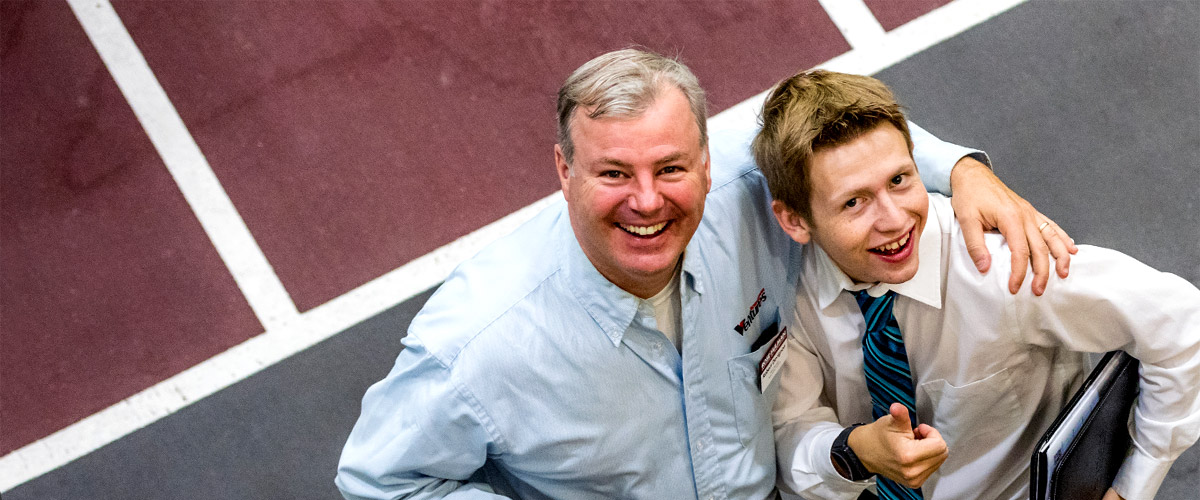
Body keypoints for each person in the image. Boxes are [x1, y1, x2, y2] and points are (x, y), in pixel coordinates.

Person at [335, 49, 1074, 499]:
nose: (648, 201)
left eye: (671, 169)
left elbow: (830, 122)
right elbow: (381, 481)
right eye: (613, 173)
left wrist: (964, 171)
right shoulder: (475, 347)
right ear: (563, 170)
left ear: (710, 158)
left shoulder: (744, 192)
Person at [756, 69, 1200, 500]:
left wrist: (1131, 486)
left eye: (899, 180)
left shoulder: (1002, 268)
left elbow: (1182, 323)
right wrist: (854, 454)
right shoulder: (786, 294)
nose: (894, 221)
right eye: (854, 202)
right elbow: (791, 429)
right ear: (795, 221)